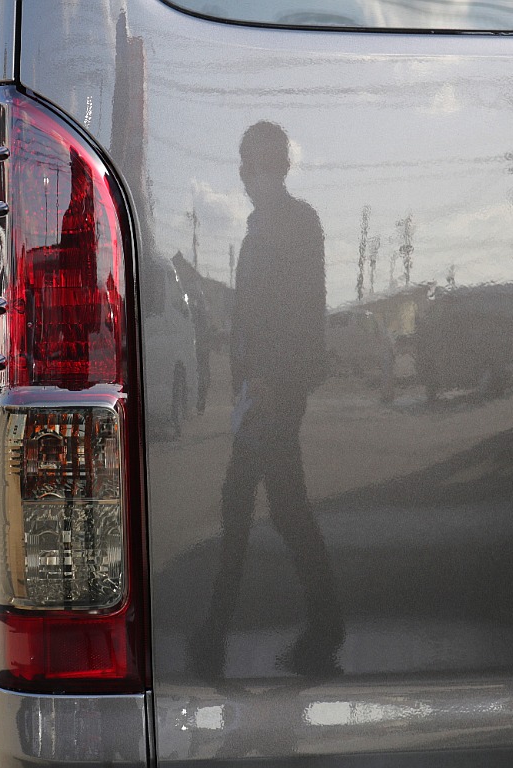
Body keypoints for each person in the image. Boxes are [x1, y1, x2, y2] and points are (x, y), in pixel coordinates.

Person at [193, 121, 342, 679]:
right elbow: (251, 312)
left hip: (277, 390)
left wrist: (281, 384)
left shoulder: (298, 222)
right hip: (257, 390)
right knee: (285, 506)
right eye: (241, 162)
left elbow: (306, 309)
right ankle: (325, 622)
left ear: (276, 163)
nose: (244, 173)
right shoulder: (257, 228)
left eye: (252, 161)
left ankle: (214, 631)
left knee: (240, 501)